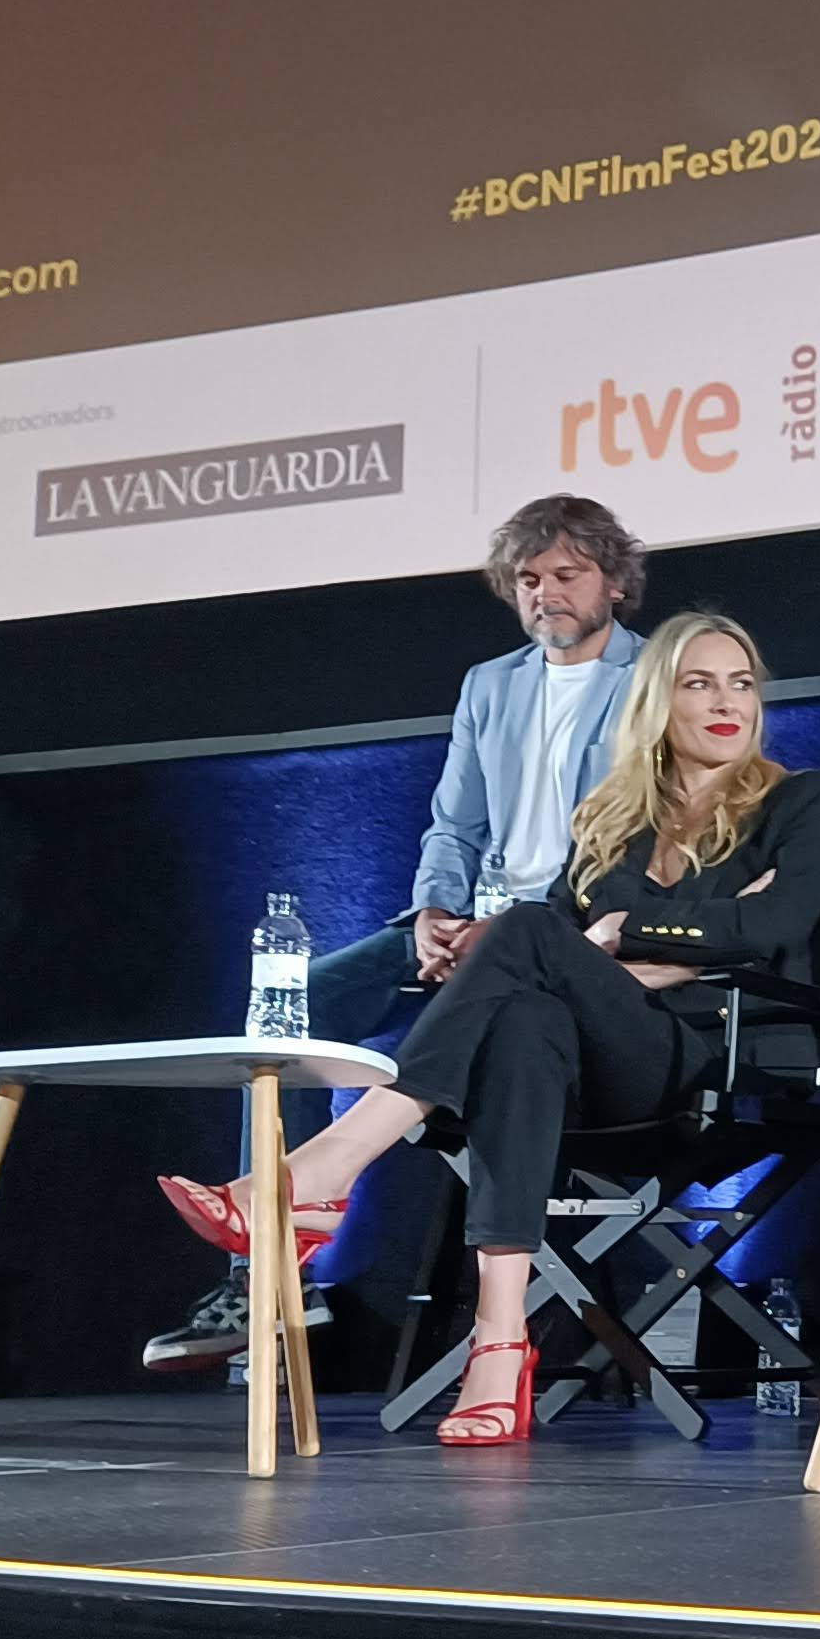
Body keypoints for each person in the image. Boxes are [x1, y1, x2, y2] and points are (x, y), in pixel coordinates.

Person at [157, 614, 820, 1444]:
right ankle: (500, 1341)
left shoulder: (796, 799)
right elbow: (567, 953)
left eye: (741, 683)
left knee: (523, 934)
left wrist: (624, 932)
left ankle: (323, 1174)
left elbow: (772, 926)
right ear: (659, 701)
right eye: (700, 684)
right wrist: (662, 947)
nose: (727, 703)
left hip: (690, 1060)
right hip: (578, 1062)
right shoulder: (610, 818)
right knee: (522, 1021)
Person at [139, 492, 649, 1373]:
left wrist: (507, 925)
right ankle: (268, 1275)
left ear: (613, 582)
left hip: (562, 933)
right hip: (469, 919)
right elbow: (454, 823)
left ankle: (302, 1201)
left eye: (567, 575)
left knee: (506, 964)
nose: (545, 594)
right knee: (297, 1006)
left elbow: (635, 836)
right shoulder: (491, 684)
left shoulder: (654, 679)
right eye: (528, 580)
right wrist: (434, 915)